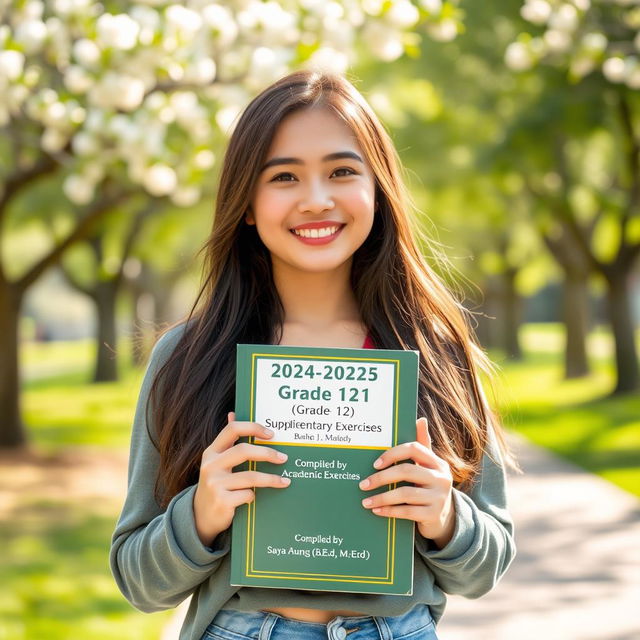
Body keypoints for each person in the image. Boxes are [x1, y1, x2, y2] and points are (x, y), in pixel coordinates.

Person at [109, 70, 516, 640]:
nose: (316, 199)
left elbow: (487, 565)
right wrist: (202, 512)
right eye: (284, 177)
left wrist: (444, 516)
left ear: (378, 188)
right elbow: (138, 581)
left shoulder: (435, 348)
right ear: (246, 203)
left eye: (342, 171)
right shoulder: (188, 357)